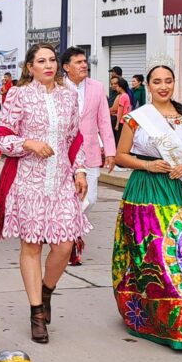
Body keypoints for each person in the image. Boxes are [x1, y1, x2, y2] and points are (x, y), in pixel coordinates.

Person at [0, 45, 91, 344]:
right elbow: (0, 138)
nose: (48, 65)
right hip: (28, 182)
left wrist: (80, 171)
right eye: (40, 61)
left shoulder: (69, 96)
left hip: (60, 182)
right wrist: (28, 143)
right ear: (29, 67)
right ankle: (36, 312)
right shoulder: (18, 95)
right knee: (31, 246)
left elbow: (74, 139)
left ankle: (46, 292)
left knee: (64, 246)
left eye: (52, 60)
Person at [112, 61, 182, 350]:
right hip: (145, 190)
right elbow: (120, 156)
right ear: (148, 85)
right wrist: (147, 164)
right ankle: (154, 317)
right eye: (157, 81)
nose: (163, 86)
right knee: (151, 256)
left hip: (179, 190)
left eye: (168, 80)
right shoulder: (137, 118)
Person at [61, 47, 115, 264]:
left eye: (85, 61)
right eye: (78, 62)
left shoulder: (97, 87)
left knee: (89, 199)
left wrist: (110, 151)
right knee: (68, 198)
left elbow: (104, 120)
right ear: (66, 67)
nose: (84, 65)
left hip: (91, 150)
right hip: (63, 153)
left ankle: (73, 231)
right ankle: (71, 242)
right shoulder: (56, 87)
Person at [109, 76, 132, 146]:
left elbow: (120, 111)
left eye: (117, 86)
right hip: (126, 120)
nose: (116, 87)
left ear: (120, 87)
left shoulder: (122, 96)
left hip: (121, 121)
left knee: (118, 140)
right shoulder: (127, 95)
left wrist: (117, 124)